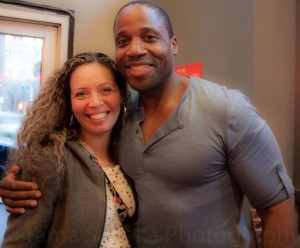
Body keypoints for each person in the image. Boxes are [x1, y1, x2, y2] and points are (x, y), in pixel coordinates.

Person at [0, 1, 297, 247]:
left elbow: (276, 207)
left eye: (150, 37)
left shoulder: (227, 110)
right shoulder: (122, 119)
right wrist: (18, 182)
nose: (135, 49)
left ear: (174, 43)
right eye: (123, 40)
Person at [0, 52, 135, 248]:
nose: (95, 102)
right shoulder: (49, 159)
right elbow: (18, 243)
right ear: (69, 102)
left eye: (105, 90)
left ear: (121, 94)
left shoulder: (130, 152)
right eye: (81, 93)